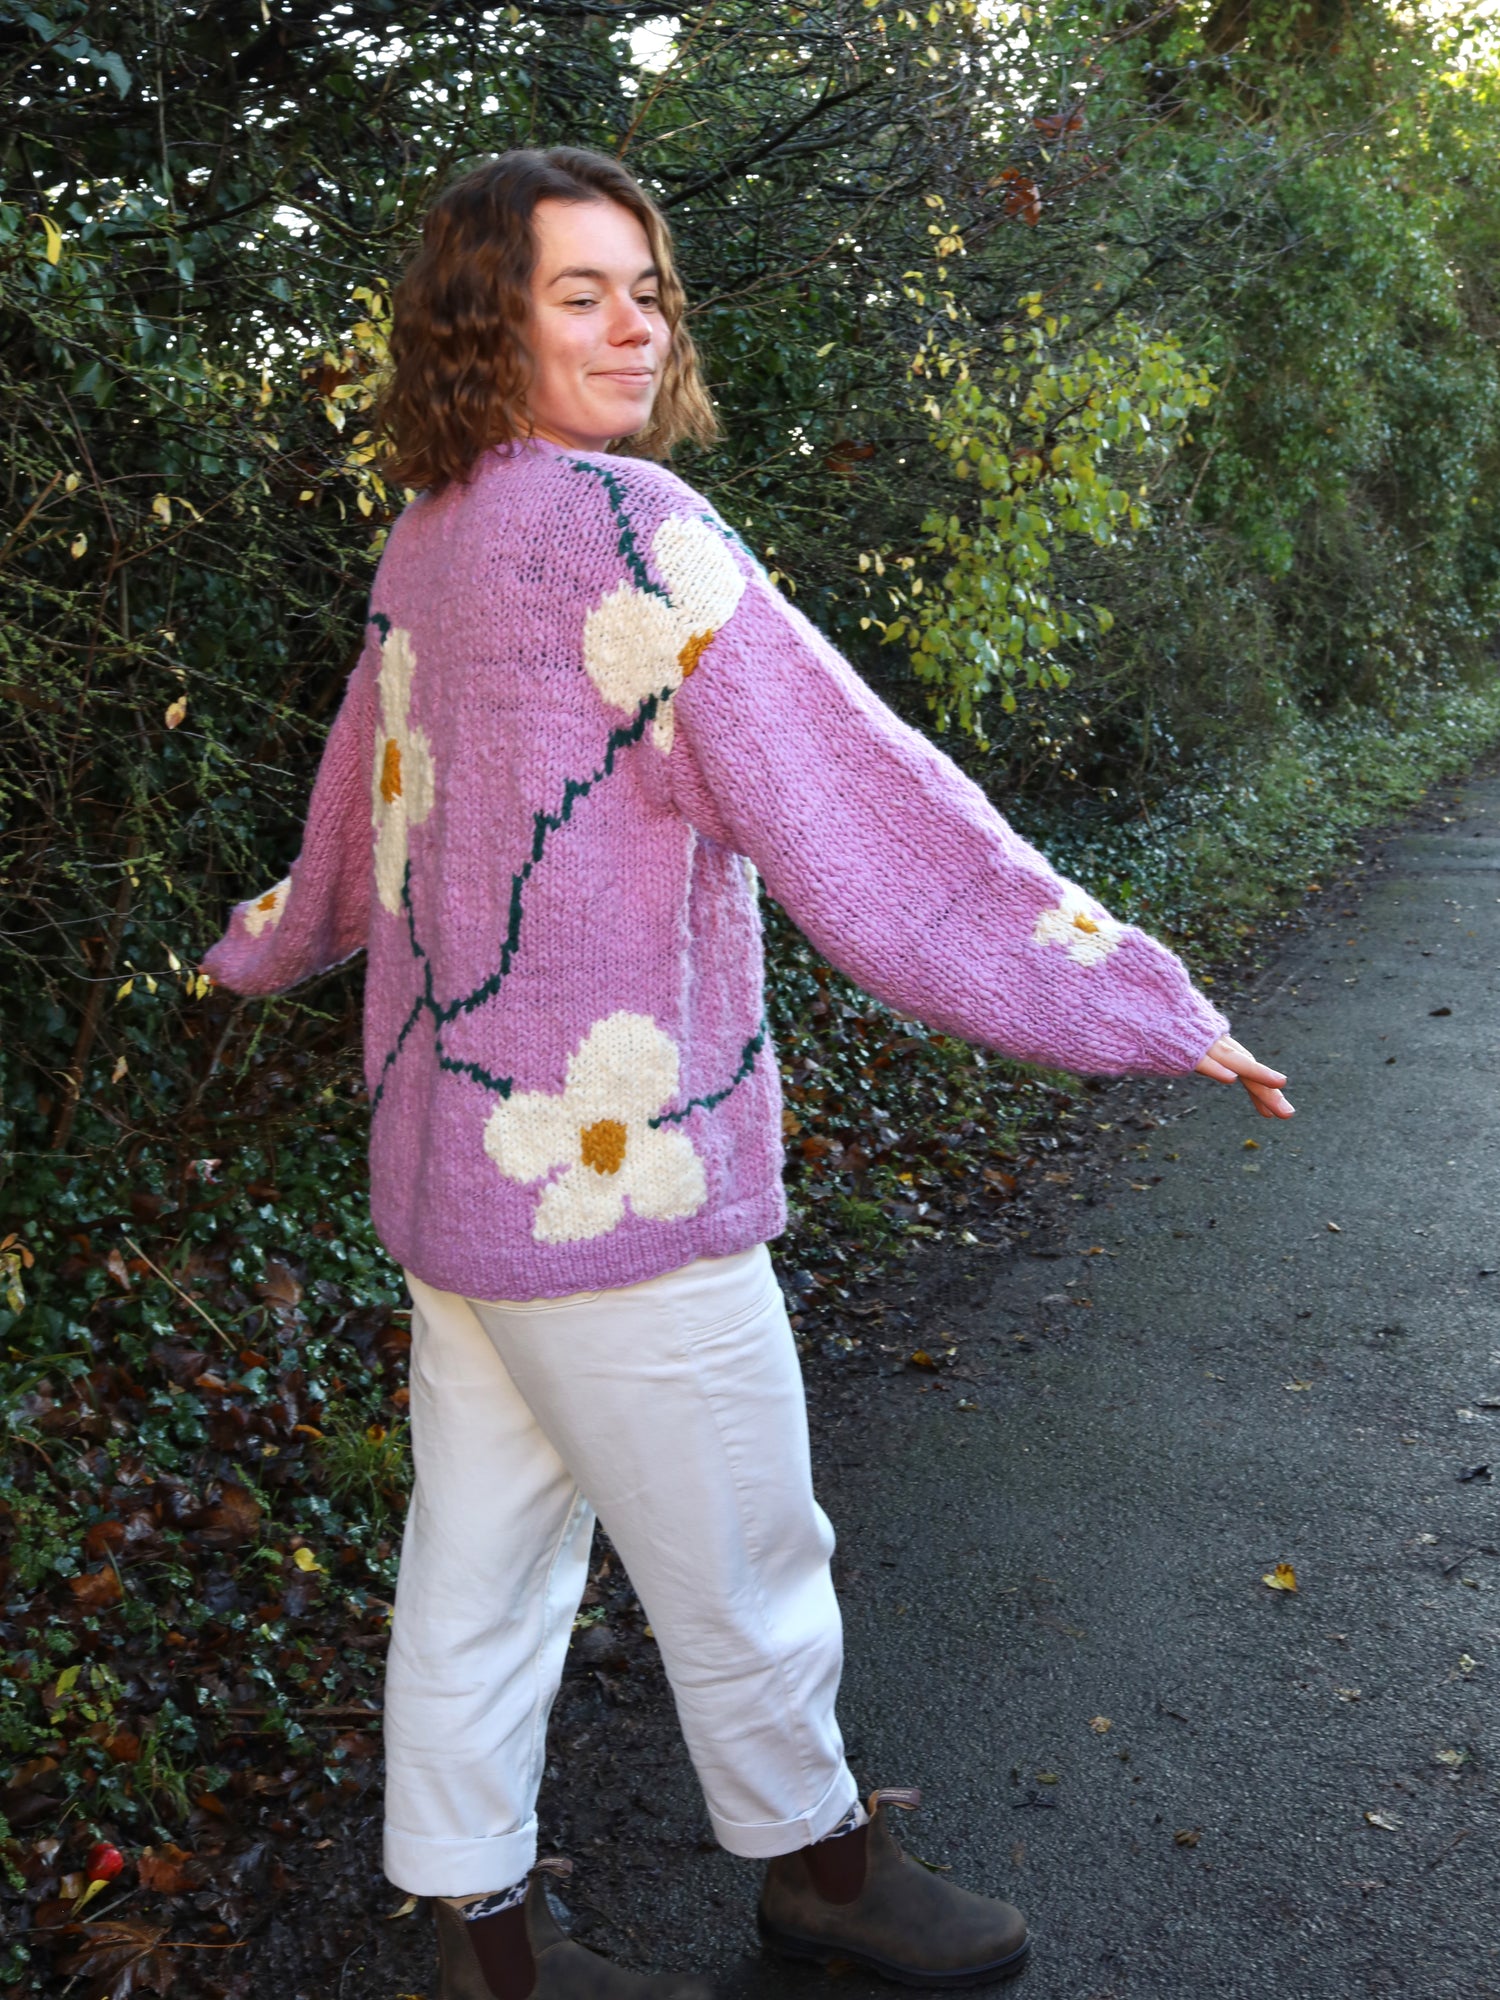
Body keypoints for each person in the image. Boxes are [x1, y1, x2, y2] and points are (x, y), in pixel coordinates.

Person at [203, 147, 1293, 2000]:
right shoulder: (630, 530)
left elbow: (350, 832)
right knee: (748, 1555)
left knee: (481, 1565)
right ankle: (825, 1875)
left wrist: (259, 943)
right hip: (616, 1186)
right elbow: (867, 819)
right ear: (484, 323)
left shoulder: (432, 533)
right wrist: (1135, 998)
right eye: (579, 294)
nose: (636, 325)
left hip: (461, 1179)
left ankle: (484, 1946)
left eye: (648, 290)